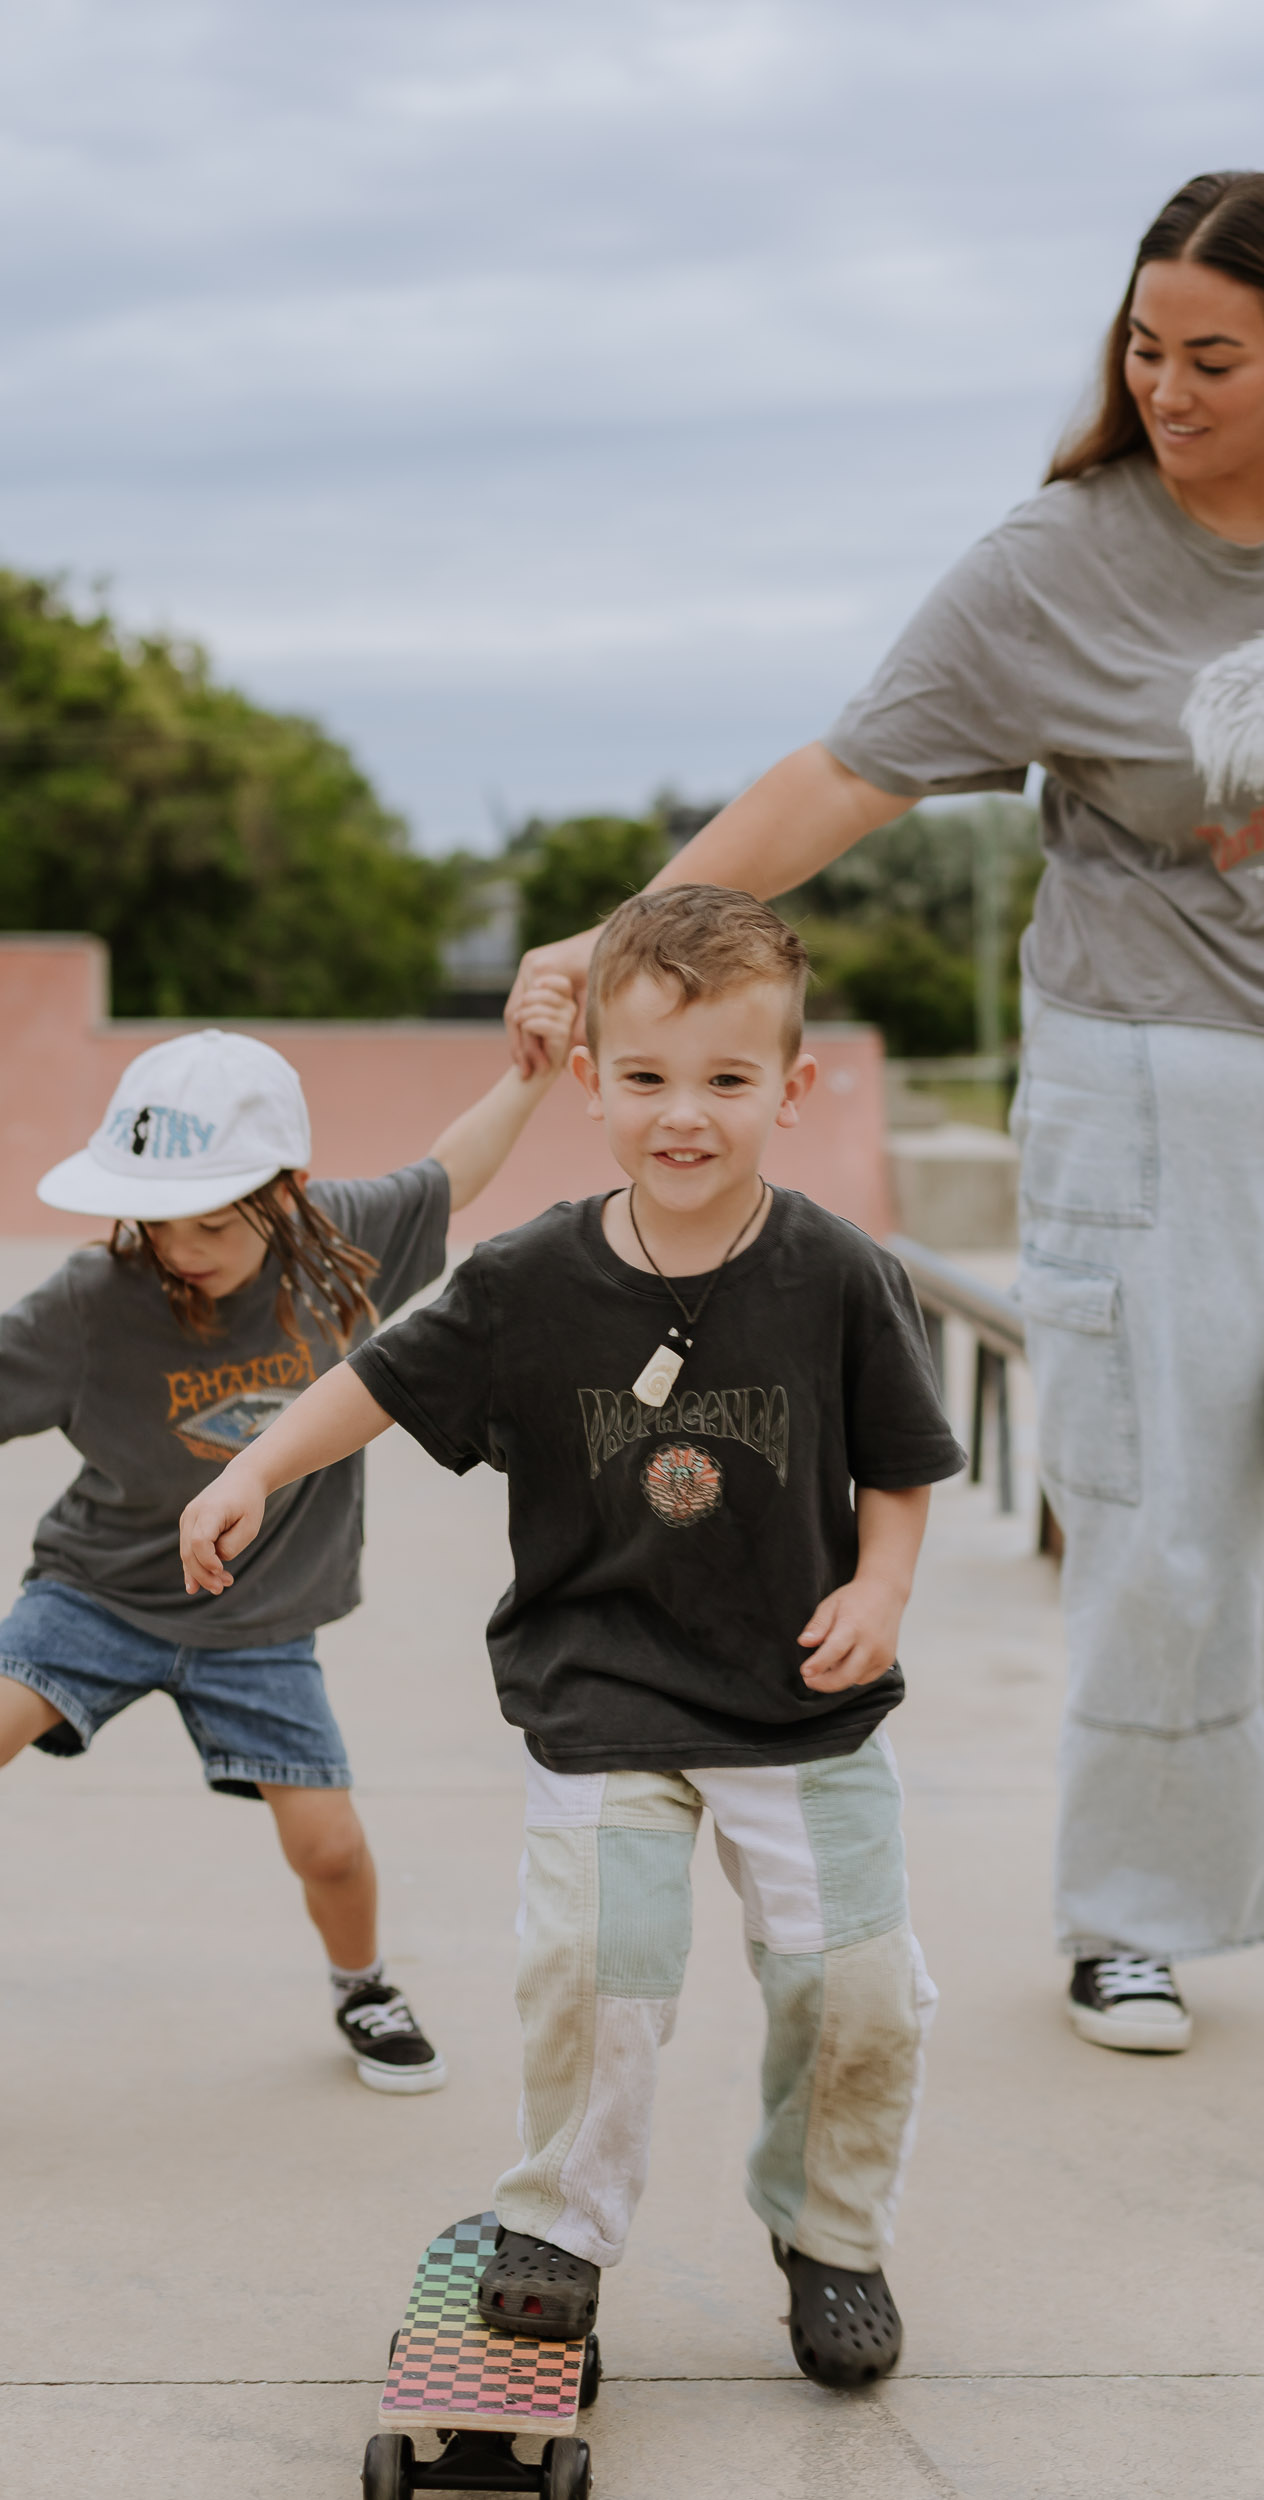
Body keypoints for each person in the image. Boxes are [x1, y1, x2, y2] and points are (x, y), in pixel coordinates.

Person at [500, 171, 1264, 2127]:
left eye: (1213, 355)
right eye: (1141, 348)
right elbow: (838, 776)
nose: (1167, 385)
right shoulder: (1052, 560)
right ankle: (1137, 1907)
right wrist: (621, 935)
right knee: (1158, 1519)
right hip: (1150, 1089)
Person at [179, 887, 962, 2385]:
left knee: (858, 1988)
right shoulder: (533, 1278)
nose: (685, 1116)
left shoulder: (837, 1273)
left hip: (798, 1700)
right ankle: (561, 2227)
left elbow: (904, 1461)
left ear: (788, 1091)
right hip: (601, 1689)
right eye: (649, 1079)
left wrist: (882, 1590)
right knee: (598, 1965)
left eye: (727, 1081)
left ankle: (830, 2234)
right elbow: (383, 1380)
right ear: (591, 1080)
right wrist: (253, 1467)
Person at [1, 1001, 571, 2092]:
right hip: (97, 1593)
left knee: (329, 1848)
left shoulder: (345, 1253)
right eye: (157, 1223)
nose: (180, 1250)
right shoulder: (90, 1302)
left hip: (259, 1626)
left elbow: (450, 1172)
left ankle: (361, 1982)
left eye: (211, 1224)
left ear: (288, 1195)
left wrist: (532, 1075)